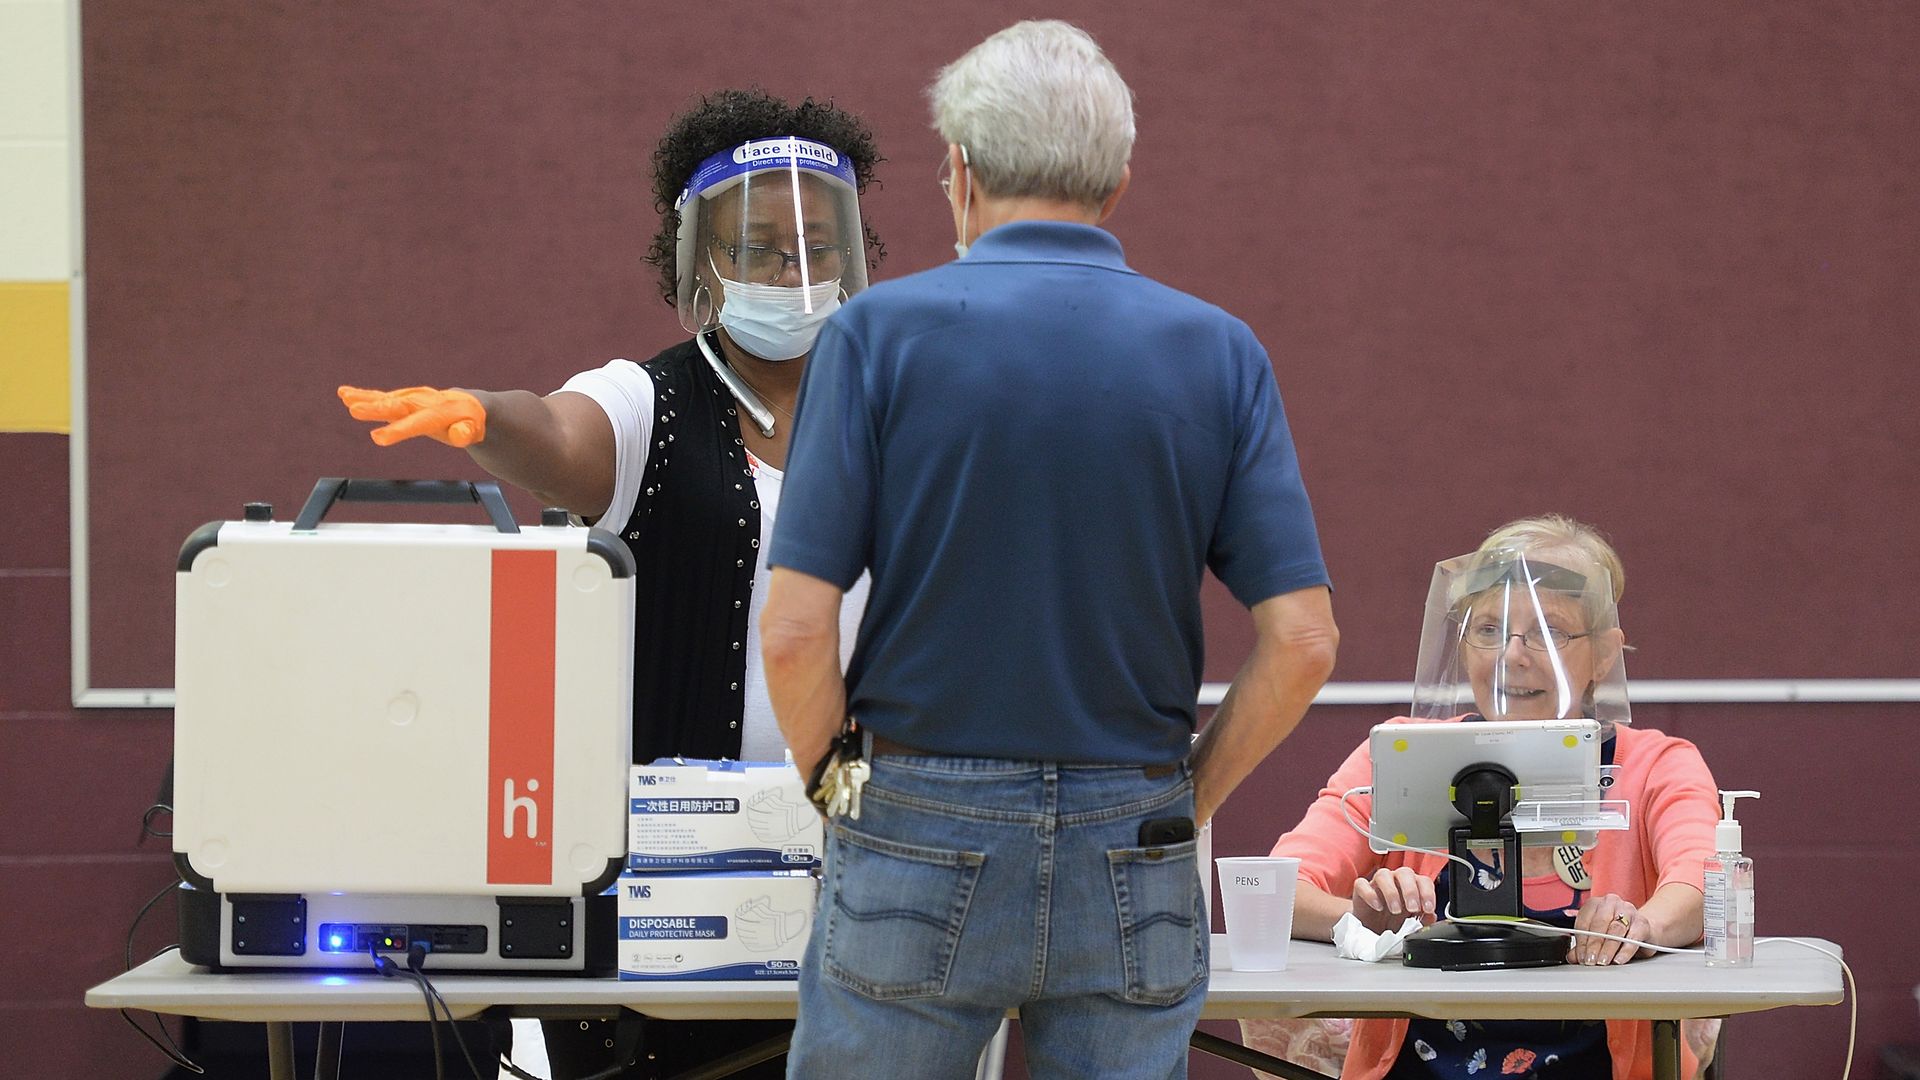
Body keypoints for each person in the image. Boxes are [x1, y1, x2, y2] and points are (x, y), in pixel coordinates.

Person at [760, 21, 1339, 1080]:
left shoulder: (875, 337)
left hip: (917, 818)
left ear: (962, 175)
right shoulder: (1218, 351)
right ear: (1116, 185)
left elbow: (797, 631)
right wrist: (1188, 799)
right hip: (1138, 827)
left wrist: (838, 787)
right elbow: (1302, 640)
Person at [338, 89, 884, 1079]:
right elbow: (553, 431)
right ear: (699, 264)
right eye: (759, 248)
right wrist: (484, 418)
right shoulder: (654, 406)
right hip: (670, 902)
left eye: (816, 244)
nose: (793, 273)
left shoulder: (898, 417)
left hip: (861, 884)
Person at [1251, 515, 1721, 1080]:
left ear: (1604, 654)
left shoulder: (1656, 765)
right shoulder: (1401, 753)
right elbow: (1275, 890)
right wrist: (1359, 921)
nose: (1513, 655)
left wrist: (1640, 926)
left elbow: (1702, 880)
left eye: (1550, 632)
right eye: (1489, 630)